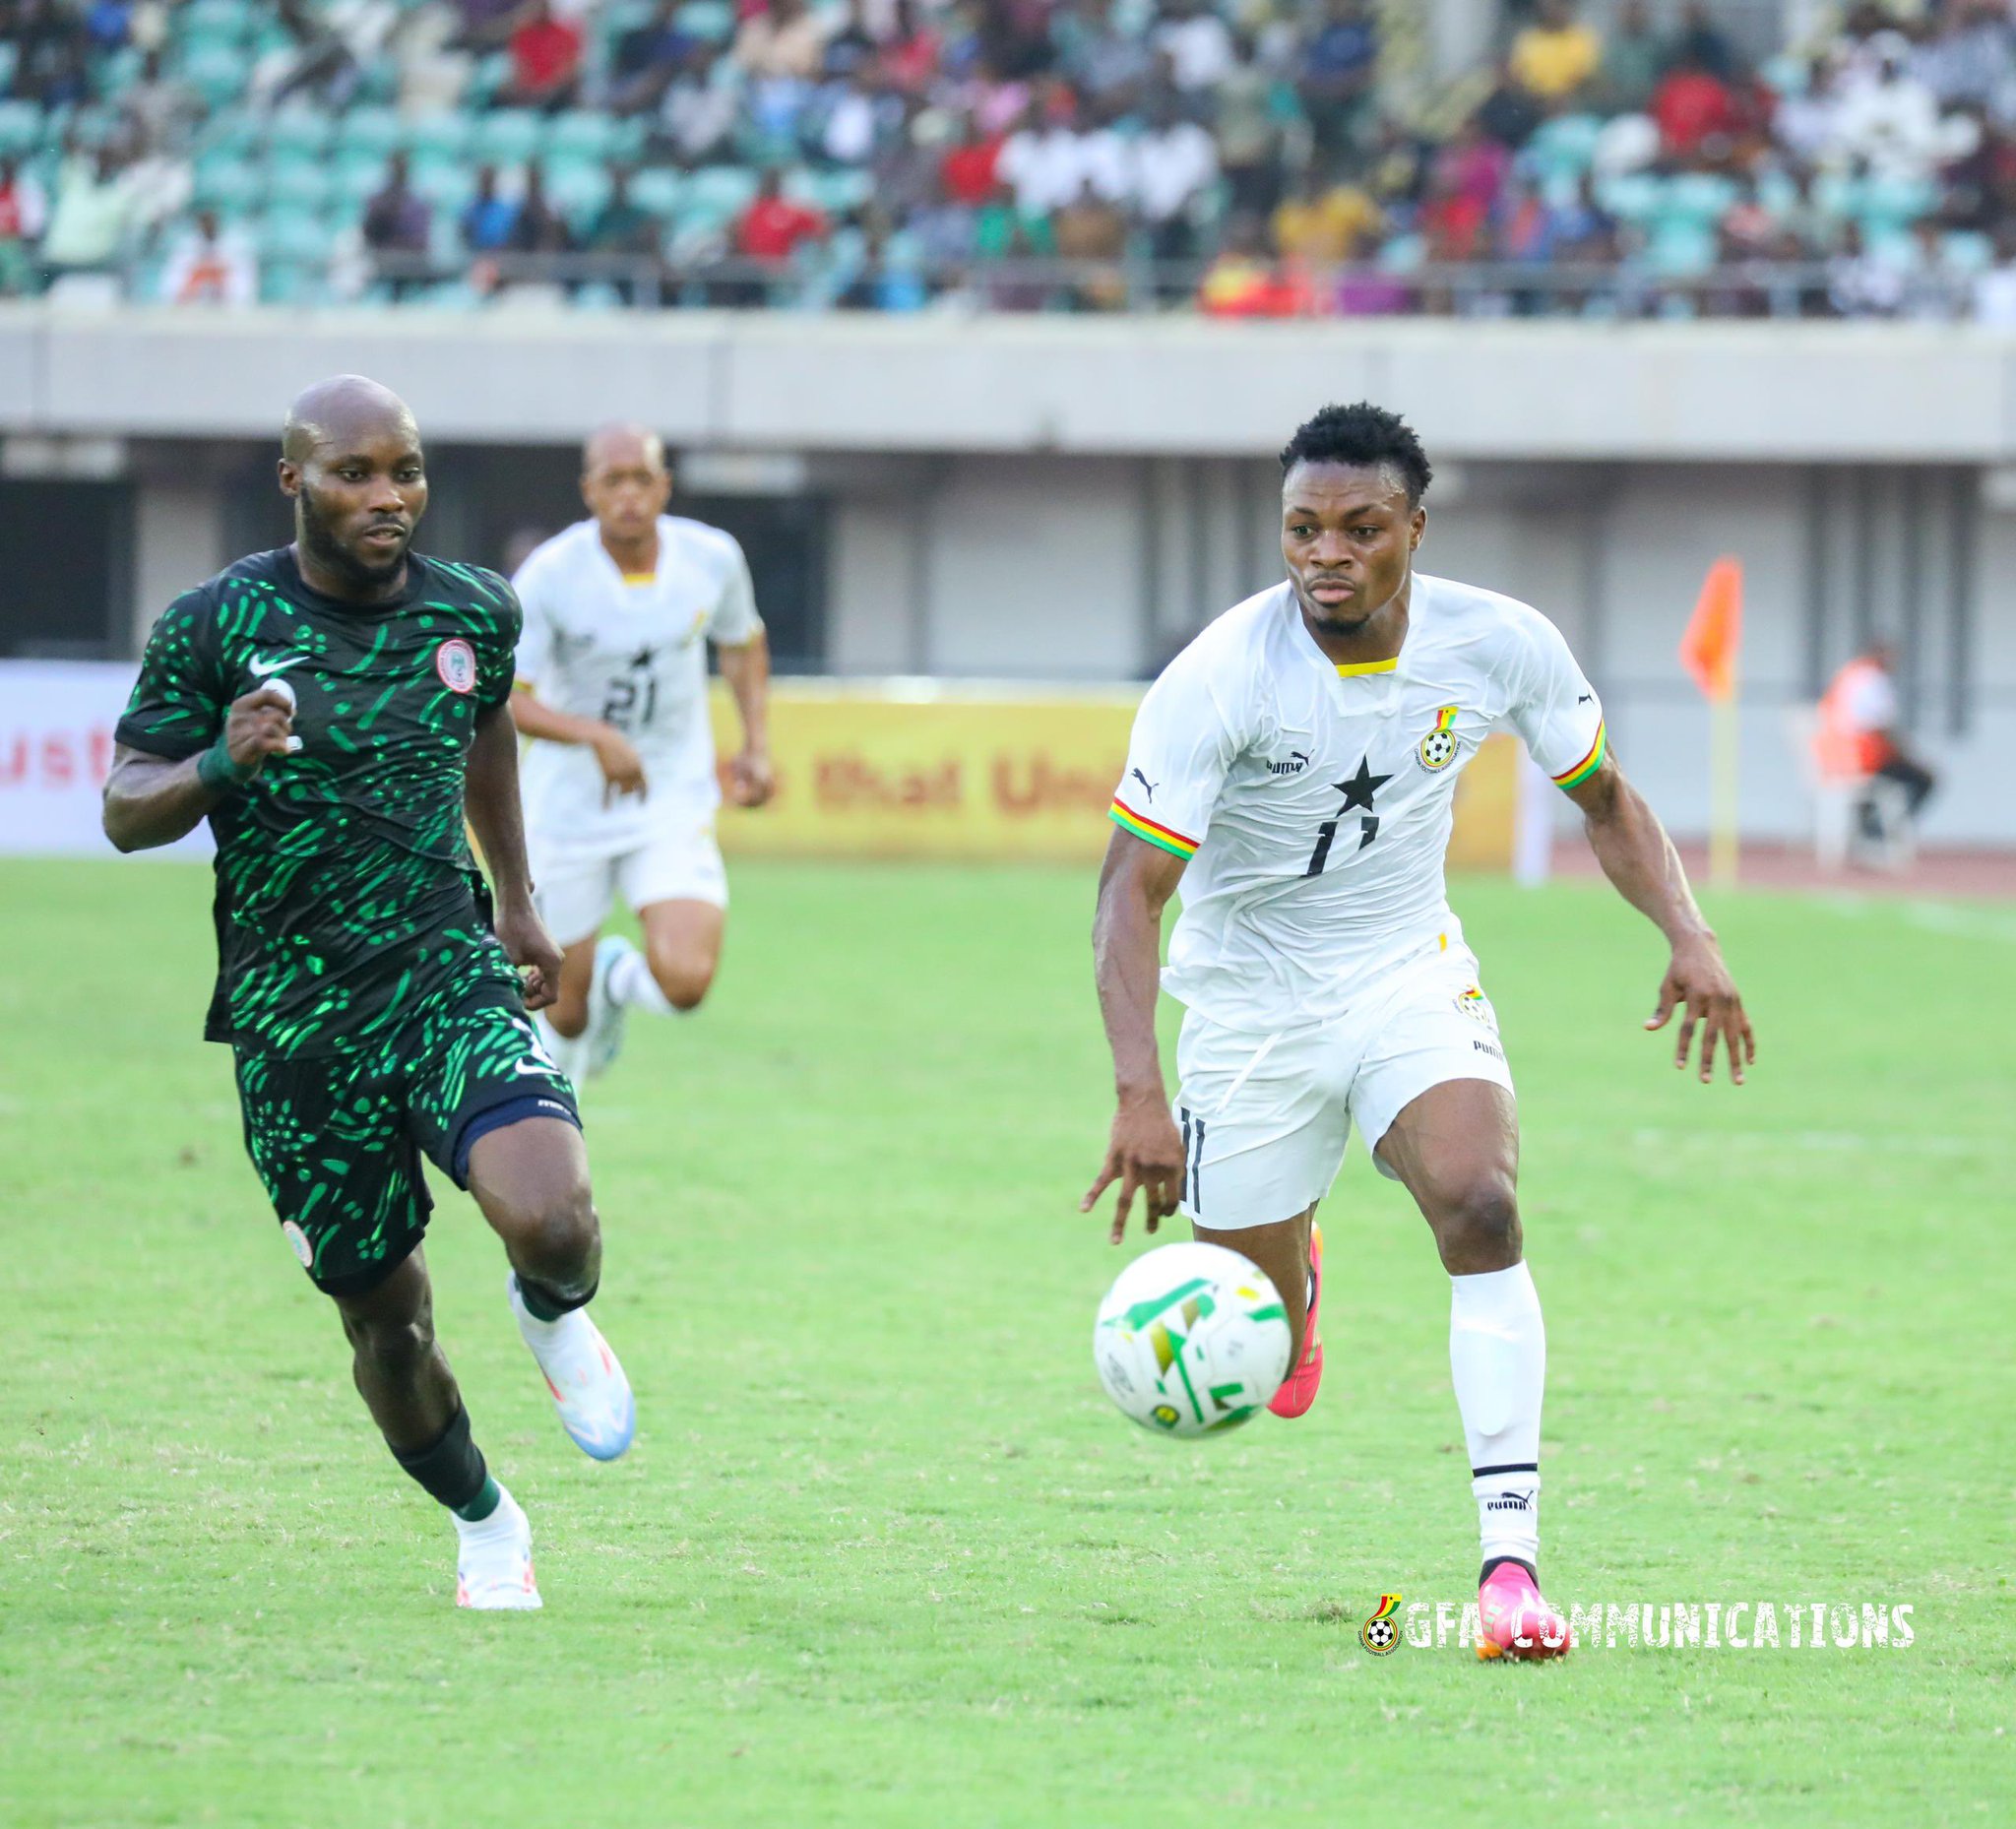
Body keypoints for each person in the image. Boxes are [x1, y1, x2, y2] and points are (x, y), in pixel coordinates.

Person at [1083, 403, 1753, 1662]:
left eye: (1356, 528)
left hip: (1406, 972)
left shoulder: (1496, 642)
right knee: (1259, 1334)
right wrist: (1137, 1092)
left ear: (1411, 532)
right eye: (1300, 528)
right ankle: (1299, 1275)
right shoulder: (1220, 677)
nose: (1322, 553)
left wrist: (1689, 931)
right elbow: (1128, 888)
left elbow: (1604, 798)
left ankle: (1509, 1566)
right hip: (1246, 1007)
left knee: (1479, 1202)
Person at [100, 376, 635, 1611]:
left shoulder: (471, 610)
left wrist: (514, 897)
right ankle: (487, 1523)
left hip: (441, 969)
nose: (386, 496)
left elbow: (486, 724)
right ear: (295, 481)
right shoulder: (215, 622)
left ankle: (554, 1316)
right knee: (384, 1323)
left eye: (404, 470)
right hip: (292, 1024)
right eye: (353, 473)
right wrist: (217, 761)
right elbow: (126, 806)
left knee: (555, 1217)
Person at [508, 424, 774, 1082]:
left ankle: (617, 978)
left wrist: (757, 745)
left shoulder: (711, 558)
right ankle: (594, 992)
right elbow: (509, 699)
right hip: (567, 804)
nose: (629, 495)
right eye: (613, 481)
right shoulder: (550, 575)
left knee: (686, 981)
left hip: (670, 795)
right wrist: (594, 736)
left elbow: (741, 641)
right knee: (562, 1010)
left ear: (665, 487)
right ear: (589, 492)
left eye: (642, 479)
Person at [1816, 639, 1937, 833]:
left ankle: (1864, 828)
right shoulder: (1872, 680)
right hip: (1862, 758)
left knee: (1883, 786)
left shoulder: (1847, 674)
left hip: (1833, 757)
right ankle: (1877, 832)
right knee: (1924, 780)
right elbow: (1882, 726)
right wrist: (1908, 756)